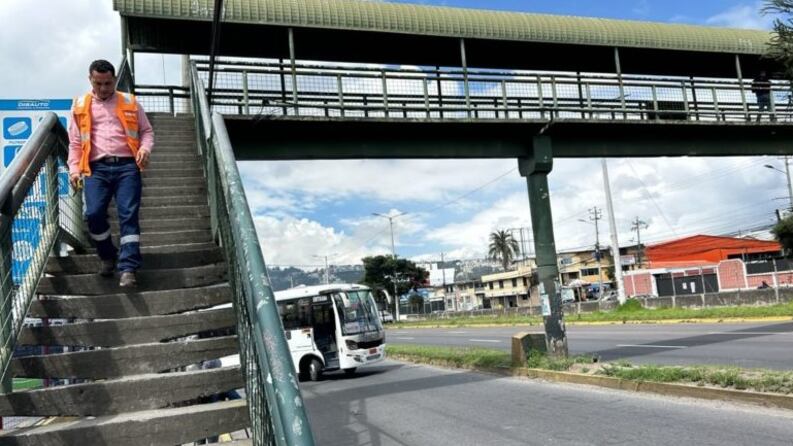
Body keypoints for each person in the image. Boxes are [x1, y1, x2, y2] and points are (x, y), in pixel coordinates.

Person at [67, 59, 154, 287]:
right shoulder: (80, 105)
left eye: (108, 83)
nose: (103, 88)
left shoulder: (129, 102)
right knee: (93, 215)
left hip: (127, 166)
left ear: (115, 79)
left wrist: (144, 149)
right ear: (90, 80)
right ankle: (107, 255)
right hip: (96, 169)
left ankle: (128, 268)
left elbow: (146, 131)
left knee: (128, 215)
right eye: (98, 83)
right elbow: (75, 143)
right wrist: (74, 169)